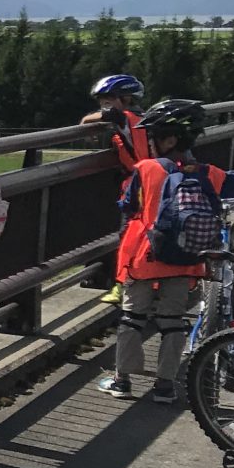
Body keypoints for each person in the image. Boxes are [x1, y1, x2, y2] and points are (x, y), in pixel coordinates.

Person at [101, 99, 234, 404]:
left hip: (145, 257)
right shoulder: (209, 173)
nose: (150, 144)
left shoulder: (146, 169)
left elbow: (127, 205)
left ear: (168, 140)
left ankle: (122, 381)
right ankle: (165, 387)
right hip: (186, 258)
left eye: (153, 138)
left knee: (133, 318)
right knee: (173, 321)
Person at [81, 73, 150, 303]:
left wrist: (85, 122)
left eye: (108, 99)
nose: (104, 105)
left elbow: (99, 118)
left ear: (126, 99)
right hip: (153, 182)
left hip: (138, 187)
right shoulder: (145, 118)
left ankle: (123, 286)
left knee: (128, 236)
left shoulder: (123, 117)